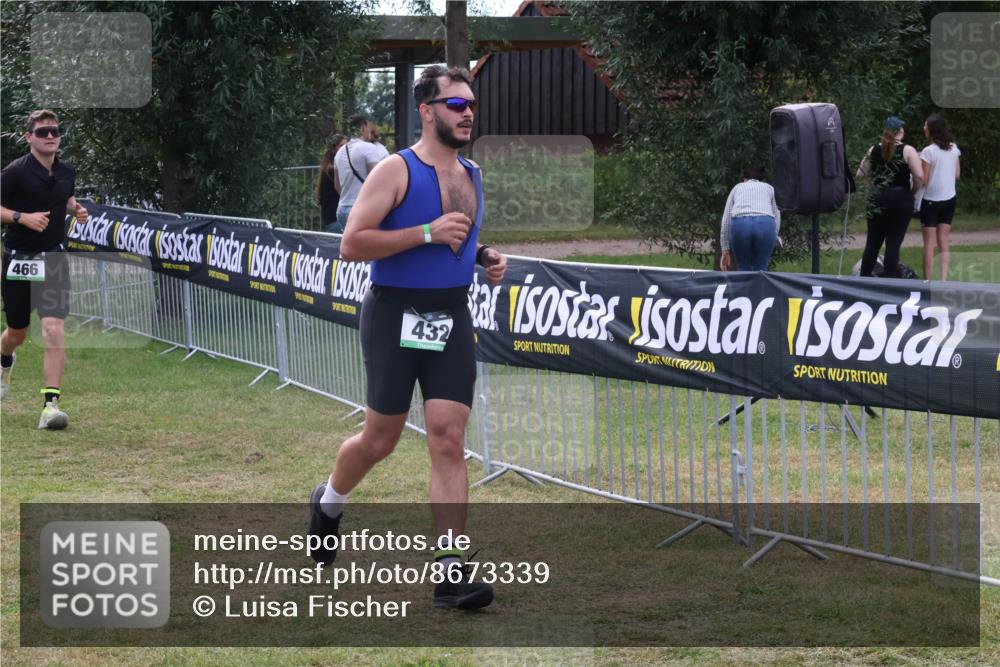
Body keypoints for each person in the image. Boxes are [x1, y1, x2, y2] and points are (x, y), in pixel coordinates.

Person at [307, 65, 507, 610]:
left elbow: (462, 235)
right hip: (394, 314)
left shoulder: (473, 173)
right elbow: (352, 243)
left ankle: (449, 571)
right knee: (381, 441)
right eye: (455, 104)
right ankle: (328, 501)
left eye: (470, 104)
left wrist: (483, 255)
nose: (467, 113)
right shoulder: (395, 170)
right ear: (427, 110)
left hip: (450, 316)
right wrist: (426, 233)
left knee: (448, 437)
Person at [0, 109, 88, 428]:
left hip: (53, 256)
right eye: (42, 132)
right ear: (29, 138)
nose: (50, 136)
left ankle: (50, 406)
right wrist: (22, 217)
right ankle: (4, 362)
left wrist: (75, 208)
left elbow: (63, 195)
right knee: (17, 332)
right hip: (20, 258)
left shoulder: (66, 170)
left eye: (54, 131)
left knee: (53, 328)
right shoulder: (14, 172)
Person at [856, 116, 924, 278]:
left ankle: (864, 278)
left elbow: (860, 174)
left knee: (872, 242)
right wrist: (913, 191)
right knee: (893, 242)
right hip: (900, 198)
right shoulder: (908, 150)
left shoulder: (873, 150)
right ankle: (890, 280)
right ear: (900, 131)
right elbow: (919, 176)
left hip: (877, 198)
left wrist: (873, 186)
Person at [919, 114, 961, 281]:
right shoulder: (954, 148)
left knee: (929, 243)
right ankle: (943, 280)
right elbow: (957, 175)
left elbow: (925, 180)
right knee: (944, 241)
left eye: (925, 126)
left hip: (930, 200)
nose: (924, 128)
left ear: (931, 129)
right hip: (950, 199)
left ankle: (927, 280)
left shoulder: (928, 152)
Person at [331, 114, 388, 234]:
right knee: (370, 250)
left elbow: (337, 185)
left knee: (350, 250)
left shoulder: (340, 152)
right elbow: (379, 179)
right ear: (363, 127)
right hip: (361, 209)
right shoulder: (368, 148)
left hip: (342, 209)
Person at [719, 165, 781, 271]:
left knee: (743, 266)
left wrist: (725, 249)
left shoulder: (737, 188)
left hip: (740, 224)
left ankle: (743, 286)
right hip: (765, 224)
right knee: (761, 266)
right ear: (762, 179)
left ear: (744, 178)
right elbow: (777, 215)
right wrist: (774, 236)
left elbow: (726, 218)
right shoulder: (769, 188)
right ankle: (761, 286)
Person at [317, 134, 347, 233]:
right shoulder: (333, 168)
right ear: (333, 149)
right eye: (342, 146)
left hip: (332, 218)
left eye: (346, 146)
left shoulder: (329, 166)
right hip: (335, 219)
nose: (345, 149)